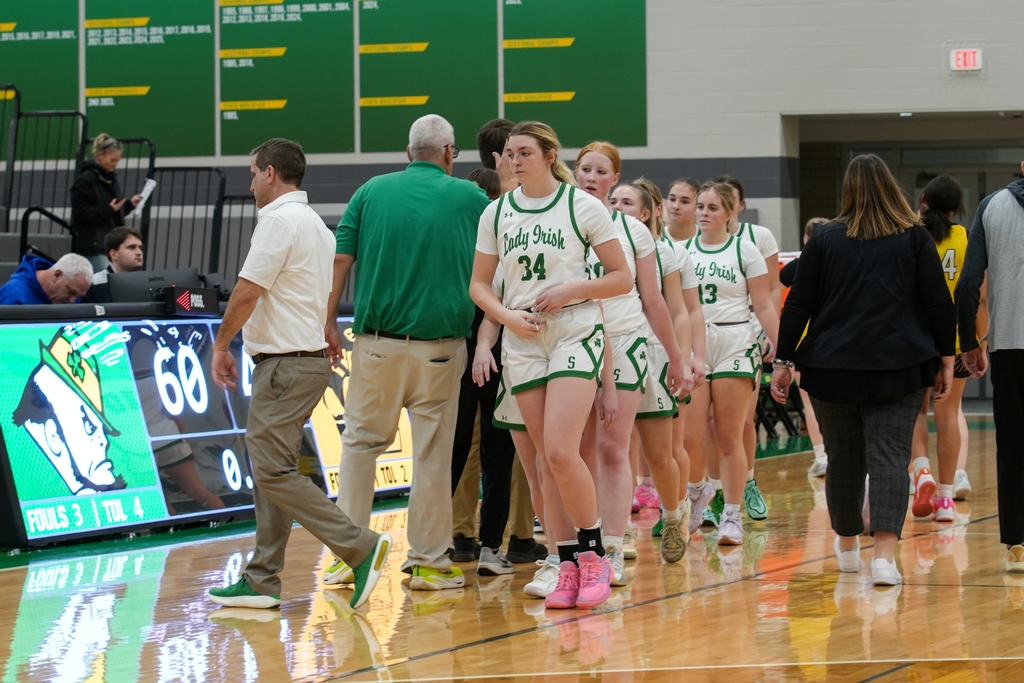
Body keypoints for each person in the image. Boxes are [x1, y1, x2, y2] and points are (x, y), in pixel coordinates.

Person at [208, 137, 391, 610]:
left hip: (285, 366)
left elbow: (247, 291)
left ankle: (359, 546)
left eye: (252, 173)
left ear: (270, 173)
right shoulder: (315, 225)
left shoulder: (277, 221)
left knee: (270, 471)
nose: (250, 184)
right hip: (307, 362)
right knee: (275, 471)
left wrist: (222, 343)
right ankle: (262, 579)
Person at [470, 121, 633, 610]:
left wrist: (570, 290)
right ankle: (564, 562)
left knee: (562, 452)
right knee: (542, 462)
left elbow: (622, 278)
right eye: (508, 154)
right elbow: (479, 287)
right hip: (524, 339)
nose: (513, 160)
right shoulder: (497, 213)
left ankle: (594, 554)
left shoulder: (581, 205)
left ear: (547, 155)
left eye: (523, 152)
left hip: (574, 332)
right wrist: (506, 318)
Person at [772, 153, 955, 587]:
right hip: (900, 366)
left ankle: (850, 546)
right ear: (892, 187)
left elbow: (798, 302)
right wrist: (947, 357)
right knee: (890, 458)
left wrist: (783, 361)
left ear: (848, 191)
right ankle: (885, 560)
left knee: (844, 460)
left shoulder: (825, 239)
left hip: (831, 368)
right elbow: (938, 301)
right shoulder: (914, 237)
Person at [325, 115, 488, 592]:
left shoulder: (370, 191)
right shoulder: (472, 198)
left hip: (375, 345)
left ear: (408, 150)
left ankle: (347, 556)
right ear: (449, 152)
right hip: (441, 350)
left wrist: (326, 324)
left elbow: (340, 260)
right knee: (433, 457)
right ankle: (429, 563)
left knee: (358, 447)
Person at [575, 142, 688, 584]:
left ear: (614, 179)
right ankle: (580, 549)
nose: (590, 177)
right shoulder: (560, 218)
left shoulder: (634, 232)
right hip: (575, 342)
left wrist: (676, 357)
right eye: (584, 168)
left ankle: (614, 548)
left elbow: (654, 300)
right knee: (578, 451)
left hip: (624, 342)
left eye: (600, 171)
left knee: (610, 447)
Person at [610, 180, 702, 562]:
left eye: (627, 202)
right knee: (615, 450)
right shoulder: (594, 246)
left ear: (646, 214)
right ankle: (619, 531)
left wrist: (680, 357)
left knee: (660, 452)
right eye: (613, 201)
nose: (617, 206)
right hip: (611, 352)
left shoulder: (664, 253)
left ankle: (674, 516)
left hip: (653, 353)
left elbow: (680, 311)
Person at [683, 183, 778, 546]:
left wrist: (783, 349)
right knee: (691, 438)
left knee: (728, 435)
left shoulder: (745, 250)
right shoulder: (681, 252)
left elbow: (765, 305)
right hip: (696, 344)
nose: (703, 213)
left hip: (735, 340)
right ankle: (699, 493)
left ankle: (732, 515)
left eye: (711, 208)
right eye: (700, 207)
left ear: (729, 213)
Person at [955, 160, 1024, 573]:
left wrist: (967, 342)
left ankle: (1017, 544)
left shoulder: (993, 205)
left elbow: (968, 283)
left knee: (1013, 444)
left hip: (1009, 346)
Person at [910, 175, 980, 521]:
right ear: (957, 207)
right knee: (949, 415)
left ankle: (922, 471)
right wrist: (978, 341)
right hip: (954, 341)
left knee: (915, 413)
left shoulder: (910, 235)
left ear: (923, 199)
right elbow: (976, 294)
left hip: (917, 341)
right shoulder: (964, 237)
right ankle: (947, 500)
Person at [779, 217, 830, 478]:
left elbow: (773, 294)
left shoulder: (798, 265)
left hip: (805, 342)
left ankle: (822, 456)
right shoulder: (838, 259)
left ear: (805, 240)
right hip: (831, 341)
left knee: (811, 404)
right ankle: (832, 454)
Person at [70, 134, 143, 260]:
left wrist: (130, 204)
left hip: (108, 246)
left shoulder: (110, 178)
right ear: (100, 155)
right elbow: (80, 212)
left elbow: (114, 209)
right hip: (93, 246)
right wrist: (108, 210)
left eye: (117, 160)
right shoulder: (86, 180)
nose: (115, 164)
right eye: (112, 160)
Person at [0, 253, 92, 305]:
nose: (72, 301)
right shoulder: (13, 295)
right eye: (71, 292)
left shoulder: (71, 295)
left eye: (78, 296)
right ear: (56, 276)